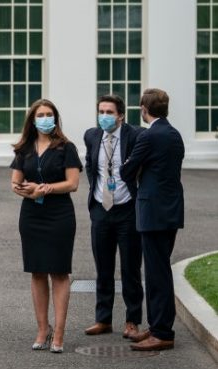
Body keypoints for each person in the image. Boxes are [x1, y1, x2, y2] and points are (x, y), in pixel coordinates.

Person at [10, 98, 81, 354]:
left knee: (59, 273)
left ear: (55, 118)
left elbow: (73, 183)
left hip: (59, 215)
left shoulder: (66, 147)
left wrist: (46, 188)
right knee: (37, 271)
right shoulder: (24, 148)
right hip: (31, 216)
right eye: (40, 114)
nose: (45, 118)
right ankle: (43, 328)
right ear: (32, 119)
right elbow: (15, 183)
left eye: (49, 114)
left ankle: (59, 332)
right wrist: (30, 192)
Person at [120, 88, 185, 351]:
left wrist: (135, 169)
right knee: (160, 270)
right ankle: (158, 326)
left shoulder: (149, 136)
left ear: (144, 109)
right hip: (170, 211)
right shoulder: (174, 134)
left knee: (157, 274)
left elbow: (127, 170)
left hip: (152, 212)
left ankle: (162, 333)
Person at [83, 95, 145, 339]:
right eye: (101, 111)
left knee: (130, 268)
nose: (104, 116)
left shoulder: (135, 135)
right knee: (103, 268)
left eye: (109, 111)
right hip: (101, 210)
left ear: (121, 115)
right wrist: (96, 192)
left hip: (127, 209)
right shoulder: (92, 135)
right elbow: (91, 165)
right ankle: (103, 319)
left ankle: (132, 321)